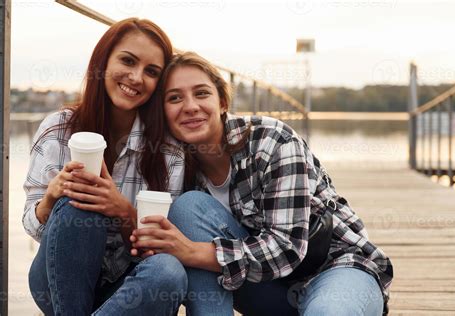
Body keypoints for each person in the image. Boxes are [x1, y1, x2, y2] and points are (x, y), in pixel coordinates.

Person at [130, 52, 393, 316]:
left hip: (335, 268)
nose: (190, 106)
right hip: (267, 288)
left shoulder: (272, 141)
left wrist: (191, 251)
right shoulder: (175, 167)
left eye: (201, 93)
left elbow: (286, 247)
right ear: (162, 112)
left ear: (222, 102)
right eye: (174, 98)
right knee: (188, 207)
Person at [24, 18, 187, 315]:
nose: (137, 77)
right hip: (56, 280)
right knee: (79, 206)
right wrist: (50, 199)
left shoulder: (169, 152)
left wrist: (122, 210)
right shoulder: (58, 130)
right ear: (103, 61)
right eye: (127, 61)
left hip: (126, 284)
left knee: (169, 271)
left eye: (151, 72)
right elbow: (32, 226)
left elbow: (157, 247)